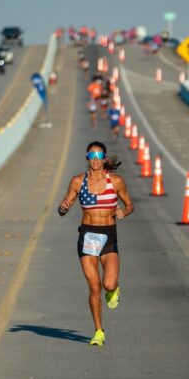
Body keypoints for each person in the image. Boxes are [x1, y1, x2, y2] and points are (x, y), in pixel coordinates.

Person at [57, 142, 134, 346]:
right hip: (88, 237)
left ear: (104, 158)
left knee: (108, 283)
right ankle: (98, 331)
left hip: (108, 237)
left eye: (100, 155)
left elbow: (129, 204)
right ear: (87, 158)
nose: (96, 158)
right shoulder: (77, 182)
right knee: (93, 287)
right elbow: (63, 207)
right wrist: (63, 208)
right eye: (92, 155)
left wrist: (123, 212)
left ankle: (113, 289)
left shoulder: (116, 182)